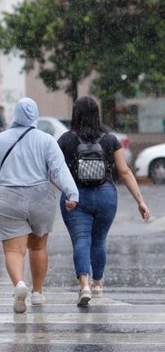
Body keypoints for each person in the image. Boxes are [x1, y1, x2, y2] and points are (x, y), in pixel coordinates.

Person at [0, 97, 79, 313]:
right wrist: (72, 193)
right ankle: (38, 293)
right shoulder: (46, 140)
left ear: (15, 115)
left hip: (9, 198)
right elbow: (59, 170)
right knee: (38, 246)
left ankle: (19, 285)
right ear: (35, 115)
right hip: (41, 197)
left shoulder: (1, 140)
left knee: (14, 250)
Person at [57, 96, 151, 307]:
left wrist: (65, 193)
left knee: (81, 240)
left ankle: (84, 286)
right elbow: (125, 171)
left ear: (76, 114)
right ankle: (98, 283)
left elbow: (55, 172)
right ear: (96, 115)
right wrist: (140, 200)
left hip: (76, 197)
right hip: (105, 196)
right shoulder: (110, 140)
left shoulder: (66, 140)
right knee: (98, 241)